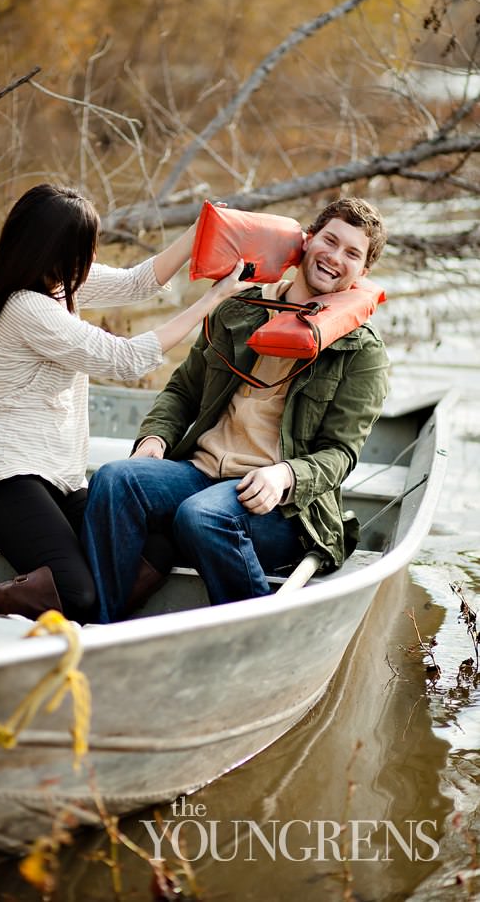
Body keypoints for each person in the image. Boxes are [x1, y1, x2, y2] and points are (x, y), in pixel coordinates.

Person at [82, 197, 390, 622]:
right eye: (330, 241)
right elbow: (182, 392)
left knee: (202, 516)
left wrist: (284, 475)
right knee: (116, 479)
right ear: (307, 241)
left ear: (363, 272)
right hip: (201, 472)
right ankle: (103, 628)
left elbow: (341, 454)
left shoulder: (362, 350)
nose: (335, 258)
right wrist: (154, 438)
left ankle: (255, 638)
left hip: (283, 509)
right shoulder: (237, 309)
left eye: (352, 253)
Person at [0, 184, 246, 623]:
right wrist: (212, 300)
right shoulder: (27, 307)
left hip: (61, 480)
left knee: (163, 538)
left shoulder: (58, 286)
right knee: (78, 591)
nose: (90, 259)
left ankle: (99, 627)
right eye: (86, 248)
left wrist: (198, 231)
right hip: (3, 481)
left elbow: (137, 282)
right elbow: (125, 359)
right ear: (56, 249)